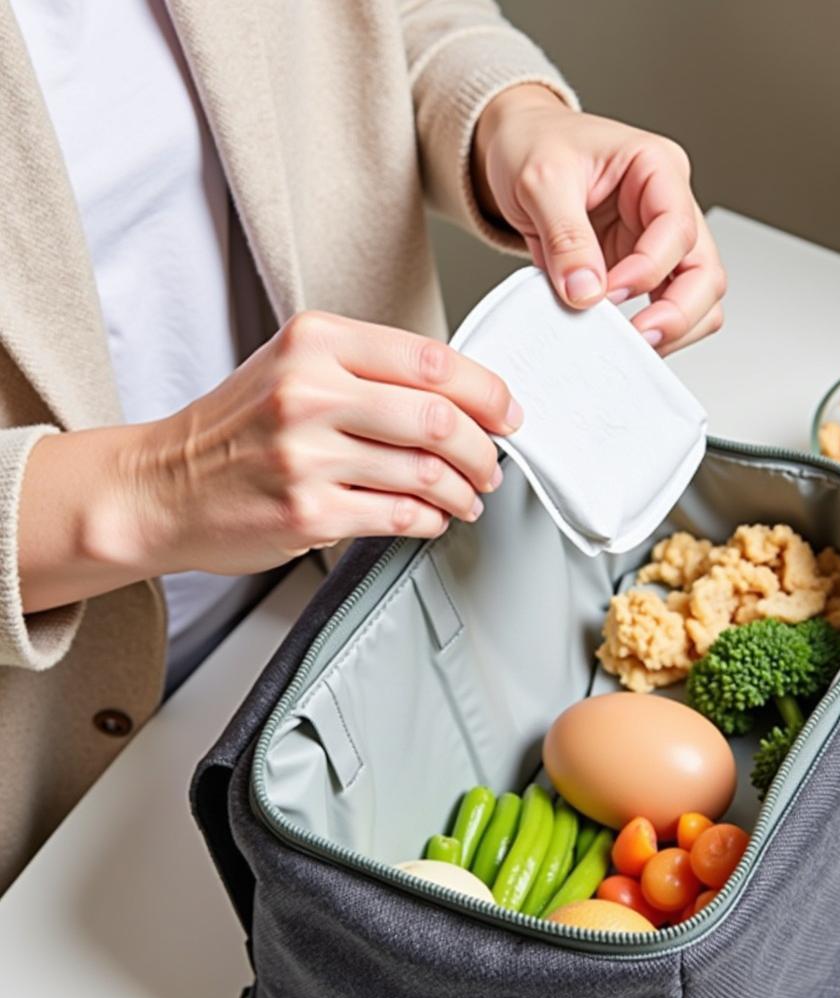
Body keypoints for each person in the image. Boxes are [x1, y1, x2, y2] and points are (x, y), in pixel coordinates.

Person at [0, 0, 725, 891]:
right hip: (45, 779)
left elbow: (391, 22)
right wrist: (161, 487)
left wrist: (514, 119)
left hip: (351, 587)